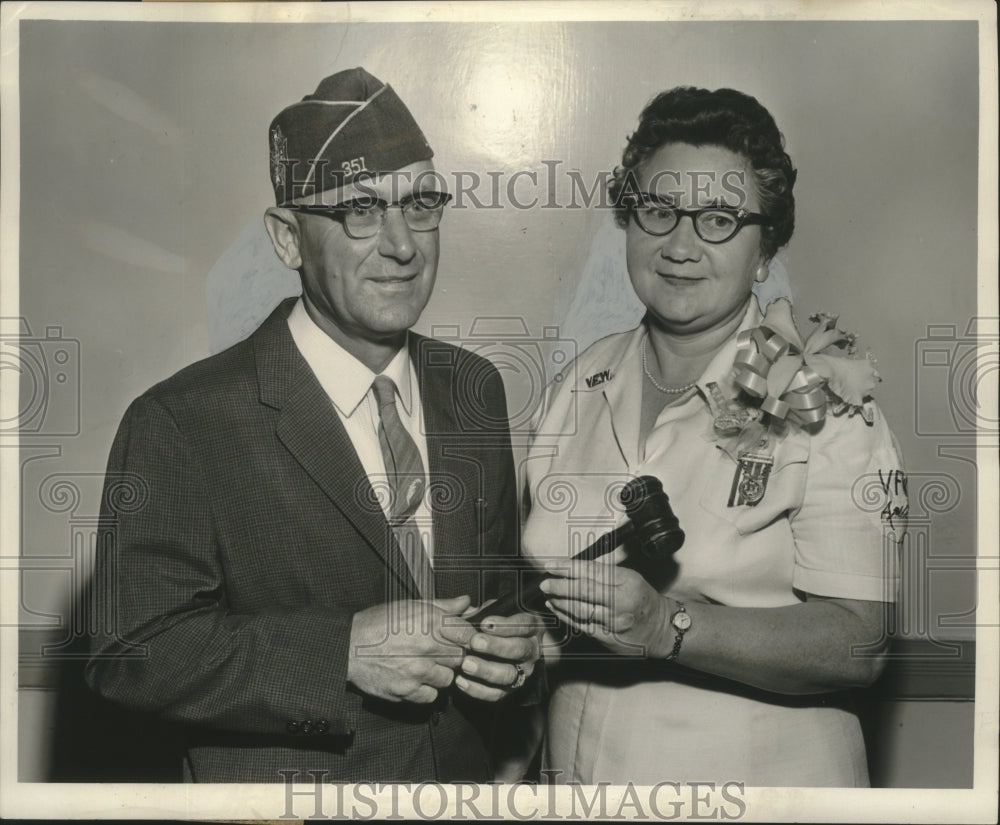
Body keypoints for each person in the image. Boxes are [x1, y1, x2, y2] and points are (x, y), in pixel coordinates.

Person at [85, 67, 541, 783]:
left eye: (421, 204)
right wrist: (341, 655)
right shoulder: (181, 422)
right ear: (288, 238)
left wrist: (516, 650)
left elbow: (502, 597)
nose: (402, 245)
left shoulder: (473, 387)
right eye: (361, 210)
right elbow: (129, 651)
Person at [522, 87, 906, 787]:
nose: (679, 245)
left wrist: (668, 625)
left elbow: (861, 642)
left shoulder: (824, 397)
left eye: (720, 219)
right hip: (576, 783)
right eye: (659, 210)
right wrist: (520, 642)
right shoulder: (577, 383)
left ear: (765, 250)